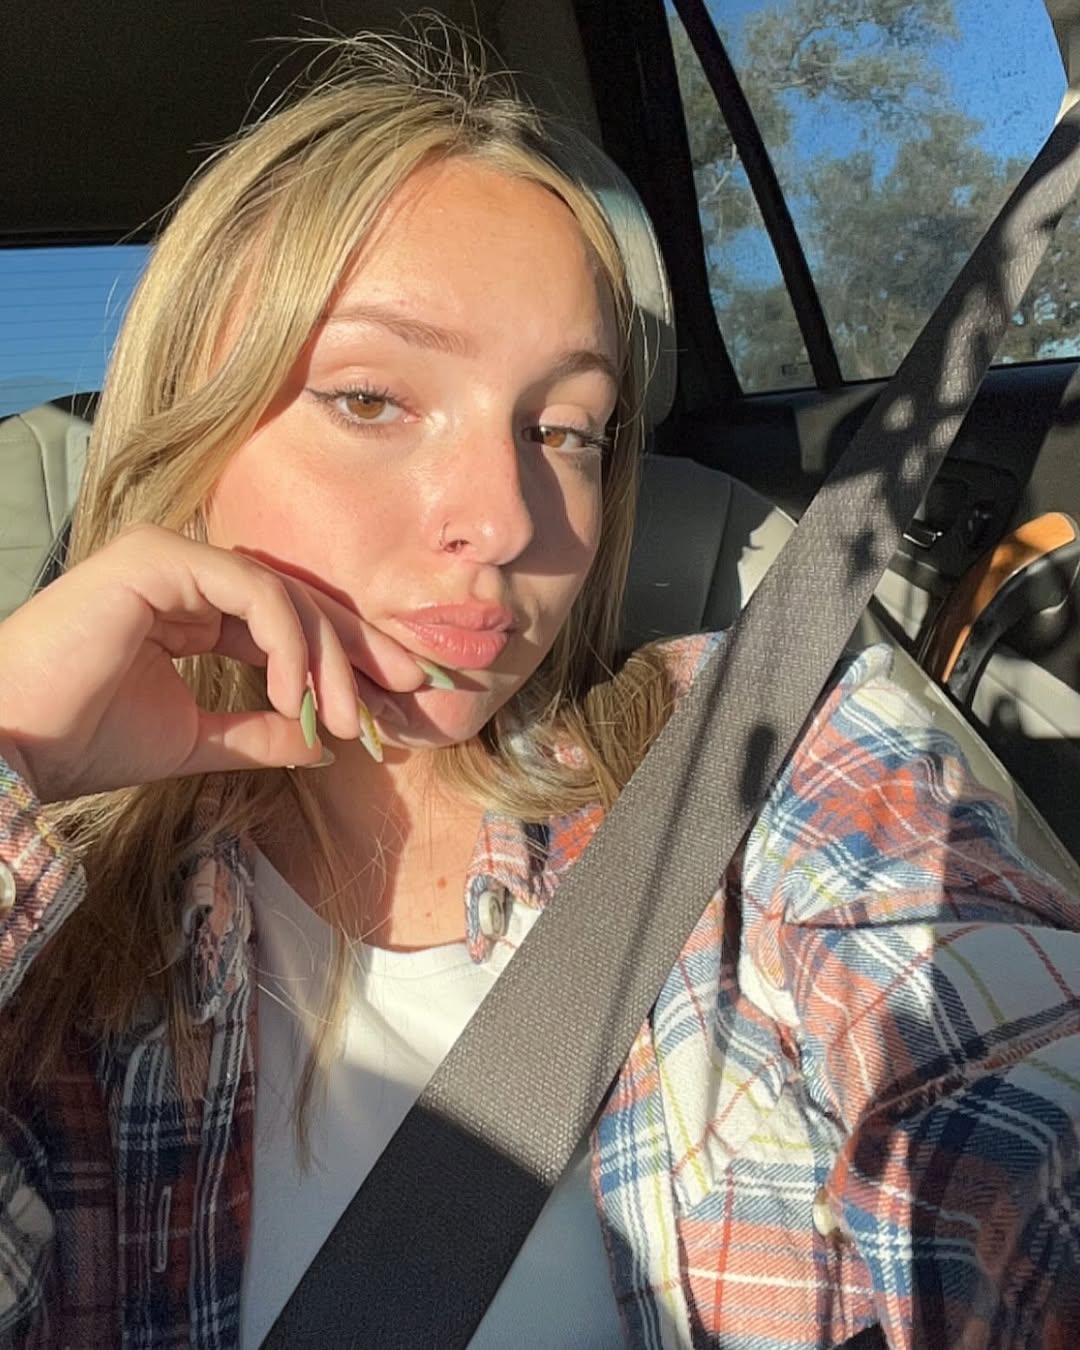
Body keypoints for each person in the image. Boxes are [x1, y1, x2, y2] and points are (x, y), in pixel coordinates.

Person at [0, 28, 1077, 1350]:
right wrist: (11, 749)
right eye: (371, 399)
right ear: (192, 437)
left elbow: (1011, 1089)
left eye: (565, 429)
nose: (509, 520)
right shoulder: (62, 940)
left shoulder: (762, 749)